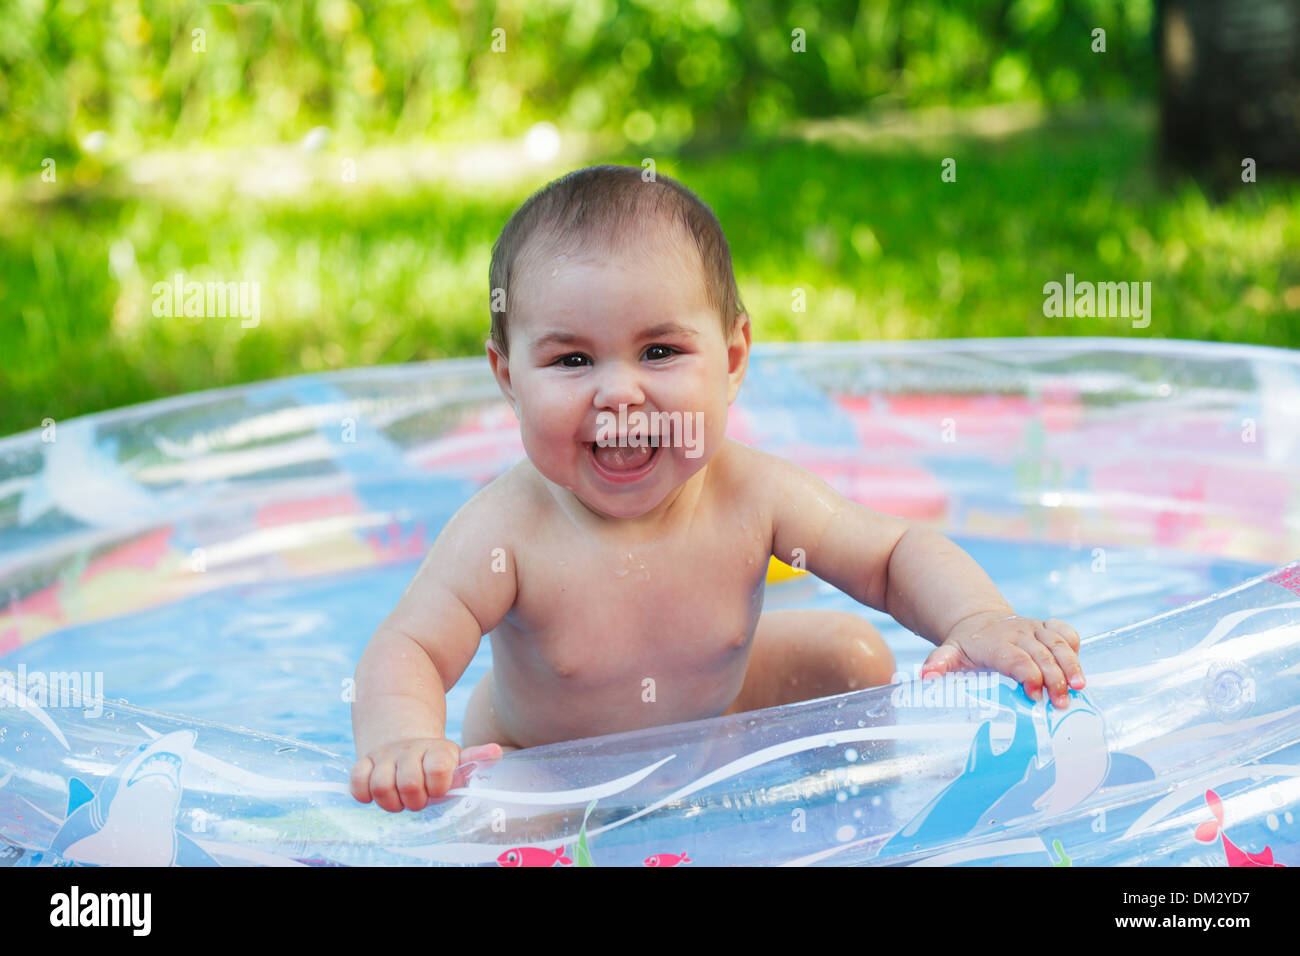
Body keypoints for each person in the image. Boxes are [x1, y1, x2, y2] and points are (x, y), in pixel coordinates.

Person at [350, 165, 1084, 813]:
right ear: (508, 377)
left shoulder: (753, 495)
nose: (619, 394)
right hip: (551, 770)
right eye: (572, 360)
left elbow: (892, 554)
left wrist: (979, 618)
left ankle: (846, 826)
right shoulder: (506, 532)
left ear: (732, 360)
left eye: (660, 351)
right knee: (497, 815)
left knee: (855, 658)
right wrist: (405, 740)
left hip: (719, 726)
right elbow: (409, 644)